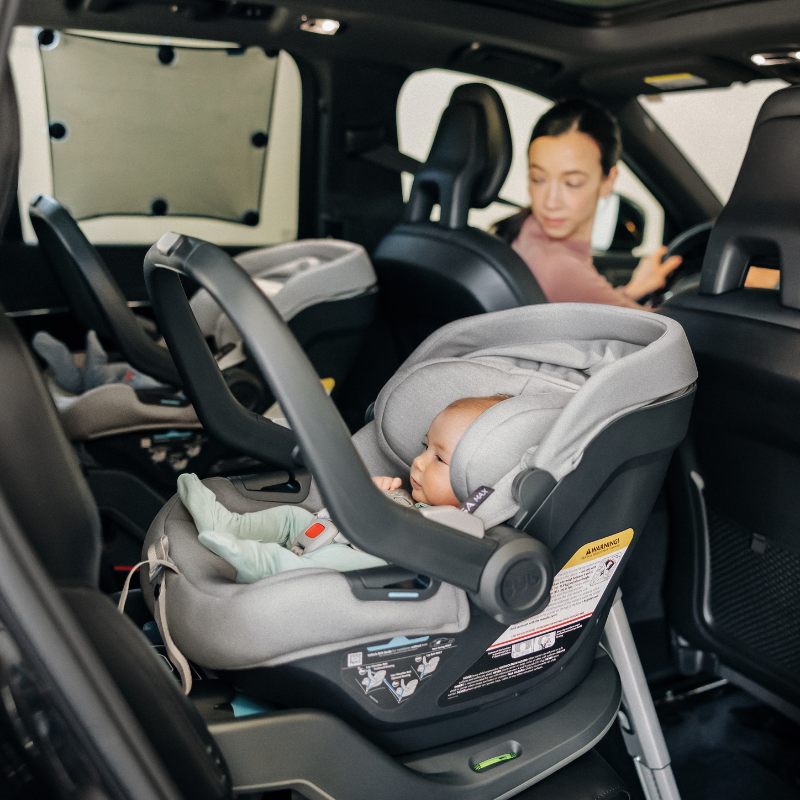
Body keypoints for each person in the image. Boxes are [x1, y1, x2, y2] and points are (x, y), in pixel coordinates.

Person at [178, 395, 509, 582]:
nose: (418, 463)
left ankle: (264, 564)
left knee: (334, 566)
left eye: (439, 458)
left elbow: (412, 544)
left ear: (476, 483)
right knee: (292, 516)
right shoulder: (414, 497)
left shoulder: (457, 526)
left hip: (364, 563)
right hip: (333, 532)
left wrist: (385, 509)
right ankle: (229, 525)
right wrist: (373, 495)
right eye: (424, 448)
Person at [493, 99, 682, 309]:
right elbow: (664, 331)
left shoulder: (525, 231)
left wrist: (631, 291)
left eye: (572, 183)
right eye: (538, 179)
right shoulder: (559, 268)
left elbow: (590, 307)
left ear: (607, 181)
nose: (551, 202)